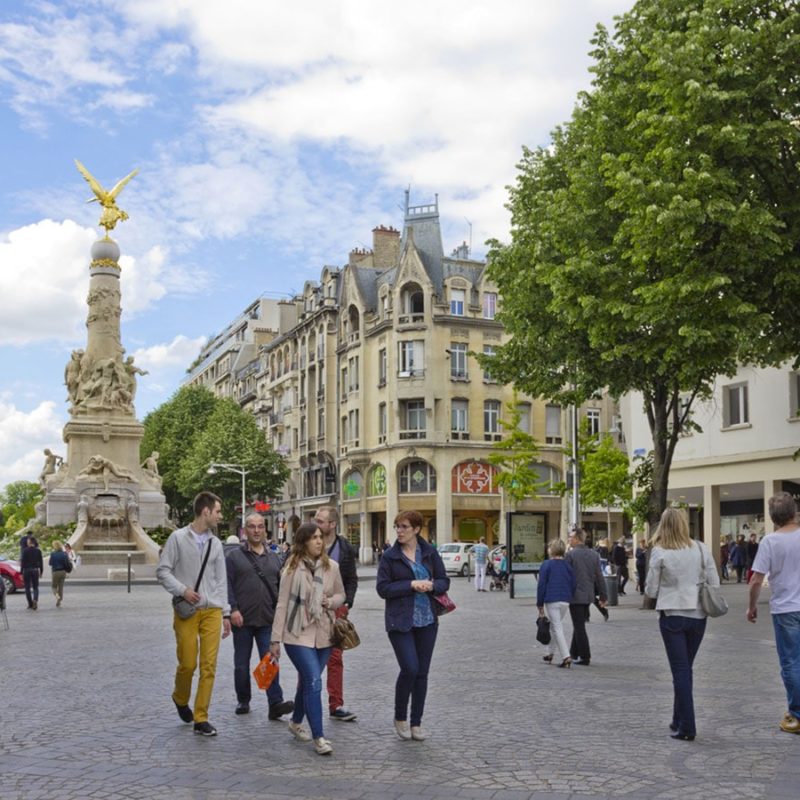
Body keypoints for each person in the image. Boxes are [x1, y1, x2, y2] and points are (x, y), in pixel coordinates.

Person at [156, 491, 231, 737]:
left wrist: (226, 612)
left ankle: (201, 717)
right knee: (187, 663)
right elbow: (163, 571)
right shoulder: (178, 538)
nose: (220, 516)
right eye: (218, 511)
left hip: (212, 610)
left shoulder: (216, 543)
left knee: (208, 666)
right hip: (187, 610)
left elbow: (221, 580)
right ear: (205, 512)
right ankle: (180, 697)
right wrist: (182, 590)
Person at [270, 521, 345, 756]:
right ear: (303, 542)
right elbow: (282, 604)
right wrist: (275, 640)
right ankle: (319, 737)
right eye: (313, 537)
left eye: (321, 537)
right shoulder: (292, 569)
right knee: (313, 680)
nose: (319, 541)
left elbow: (341, 594)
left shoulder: (332, 566)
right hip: (297, 633)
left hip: (324, 633)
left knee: (307, 682)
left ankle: (295, 721)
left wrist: (331, 602)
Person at [645, 507, 720, 741]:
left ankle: (687, 726)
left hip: (673, 613)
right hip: (698, 615)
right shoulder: (700, 548)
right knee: (685, 669)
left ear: (663, 526)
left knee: (680, 671)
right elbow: (714, 581)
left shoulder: (660, 552)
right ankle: (678, 718)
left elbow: (650, 589)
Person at [376, 510, 450, 741]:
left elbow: (444, 581)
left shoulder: (429, 552)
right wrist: (411, 585)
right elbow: (383, 589)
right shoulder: (390, 556)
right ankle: (400, 717)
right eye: (397, 526)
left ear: (417, 529)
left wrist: (432, 586)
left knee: (422, 673)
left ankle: (416, 722)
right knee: (410, 667)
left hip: (427, 619)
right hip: (400, 620)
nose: (399, 531)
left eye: (404, 526)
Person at [225, 513, 294, 720]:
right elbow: (227, 586)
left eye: (260, 527)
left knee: (270, 661)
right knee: (241, 664)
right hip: (242, 619)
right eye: (252, 527)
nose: (256, 530)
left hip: (267, 619)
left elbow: (281, 589)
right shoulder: (234, 557)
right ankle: (243, 699)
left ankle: (275, 703)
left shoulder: (274, 557)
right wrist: (233, 610)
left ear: (265, 530)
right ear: (245, 530)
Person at [746, 492, 800, 734]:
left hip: (786, 609)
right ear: (794, 511)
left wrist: (752, 606)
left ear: (773, 517)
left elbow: (756, 579)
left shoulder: (770, 542)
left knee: (791, 663)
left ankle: (796, 714)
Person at [313, 506, 359, 722]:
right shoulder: (307, 543)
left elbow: (351, 579)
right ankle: (306, 700)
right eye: (316, 520)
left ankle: (336, 704)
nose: (317, 524)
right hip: (310, 610)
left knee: (335, 657)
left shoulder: (344, 548)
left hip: (335, 609)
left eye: (321, 521)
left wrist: (346, 603)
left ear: (332, 524)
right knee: (309, 657)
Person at [565, 527, 607, 666]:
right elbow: (599, 576)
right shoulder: (594, 554)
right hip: (588, 595)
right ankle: (573, 652)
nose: (569, 540)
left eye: (570, 537)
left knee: (579, 626)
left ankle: (585, 656)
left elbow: (566, 577)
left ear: (577, 539)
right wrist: (603, 594)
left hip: (575, 595)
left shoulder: (570, 555)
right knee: (579, 624)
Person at [537, 539, 577, 668]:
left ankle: (566, 656)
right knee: (555, 626)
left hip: (552, 600)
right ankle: (550, 653)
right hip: (565, 600)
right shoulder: (567, 566)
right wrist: (569, 595)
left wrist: (540, 604)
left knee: (557, 628)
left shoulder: (546, 565)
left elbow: (541, 585)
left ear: (551, 550)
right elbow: (573, 583)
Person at [21, 536, 44, 610]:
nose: (27, 542)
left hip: (27, 570)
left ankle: (30, 603)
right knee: (35, 587)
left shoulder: (25, 551)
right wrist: (41, 571)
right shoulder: (38, 551)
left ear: (30, 542)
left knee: (27, 587)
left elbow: (23, 562)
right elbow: (41, 562)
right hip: (35, 570)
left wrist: (21, 572)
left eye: (28, 541)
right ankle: (35, 600)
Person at [49, 540, 71, 607]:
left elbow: (50, 563)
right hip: (63, 572)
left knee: (53, 587)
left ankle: (57, 596)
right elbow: (67, 563)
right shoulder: (64, 554)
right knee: (61, 587)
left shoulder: (53, 554)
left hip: (55, 572)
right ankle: (59, 601)